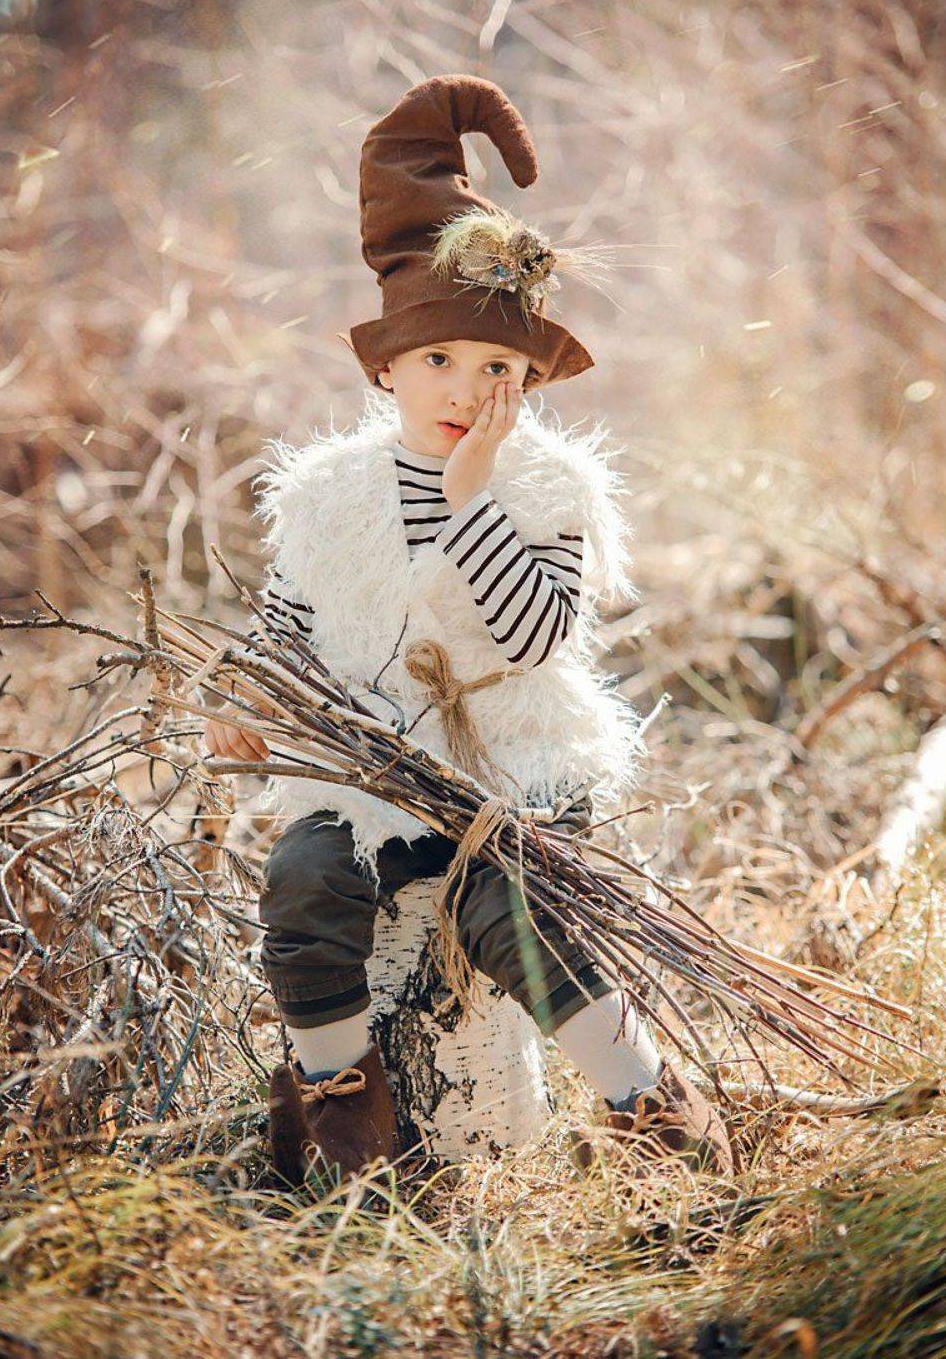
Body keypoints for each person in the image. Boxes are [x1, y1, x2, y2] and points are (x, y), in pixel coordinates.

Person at [204, 75, 731, 1183]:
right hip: (375, 768)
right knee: (306, 879)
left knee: (512, 907)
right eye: (437, 361)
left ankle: (644, 1099)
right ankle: (341, 1101)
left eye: (496, 369)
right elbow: (291, 620)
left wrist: (471, 500)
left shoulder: (546, 489)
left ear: (528, 383)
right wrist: (242, 693)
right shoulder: (331, 493)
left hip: (512, 763)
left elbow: (537, 636)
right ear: (387, 367)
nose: (463, 390)